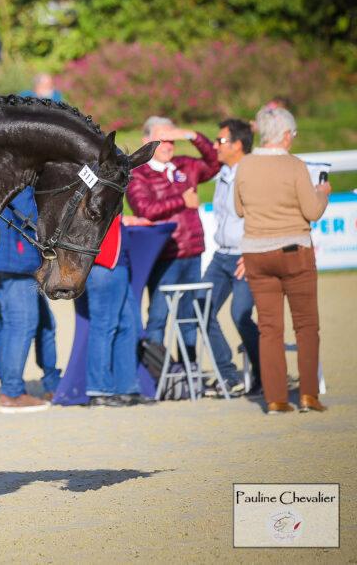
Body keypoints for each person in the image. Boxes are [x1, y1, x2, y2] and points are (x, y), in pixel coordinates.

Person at [235, 106, 330, 414]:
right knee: (305, 326)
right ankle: (308, 395)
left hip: (256, 253)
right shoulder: (295, 166)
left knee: (269, 328)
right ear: (287, 135)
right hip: (294, 251)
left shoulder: (245, 165)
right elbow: (313, 212)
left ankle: (275, 399)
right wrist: (323, 193)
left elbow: (238, 208)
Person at [127, 117, 219, 351]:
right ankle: (157, 377)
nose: (168, 145)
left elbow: (215, 162)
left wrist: (192, 135)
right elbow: (144, 209)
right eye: (162, 140)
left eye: (172, 140)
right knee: (158, 317)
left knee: (188, 320)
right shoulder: (139, 174)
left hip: (193, 252)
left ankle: (188, 376)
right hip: (163, 255)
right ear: (146, 141)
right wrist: (182, 201)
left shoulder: (185, 165)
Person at [0, 186, 62, 412]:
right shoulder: (18, 170)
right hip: (15, 258)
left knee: (41, 325)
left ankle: (52, 383)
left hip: (7, 256)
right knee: (20, 324)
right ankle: (12, 393)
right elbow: (29, 211)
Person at [202, 118, 259, 395]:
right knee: (201, 309)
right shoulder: (224, 173)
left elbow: (262, 217)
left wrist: (250, 253)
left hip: (245, 257)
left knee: (241, 315)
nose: (215, 146)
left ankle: (264, 375)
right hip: (221, 257)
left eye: (220, 141)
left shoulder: (253, 174)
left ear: (238, 145)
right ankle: (229, 375)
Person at [84, 216, 152, 407]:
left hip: (117, 263)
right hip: (104, 263)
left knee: (128, 326)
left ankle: (126, 388)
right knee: (104, 327)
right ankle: (99, 389)